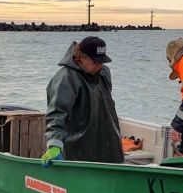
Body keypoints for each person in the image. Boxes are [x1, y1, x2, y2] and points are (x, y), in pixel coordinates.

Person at [41, 36, 123, 165]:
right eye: (95, 62)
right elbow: (57, 113)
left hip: (109, 145)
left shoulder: (104, 72)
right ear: (82, 57)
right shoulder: (66, 78)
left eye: (102, 61)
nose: (100, 66)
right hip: (78, 149)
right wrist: (54, 144)